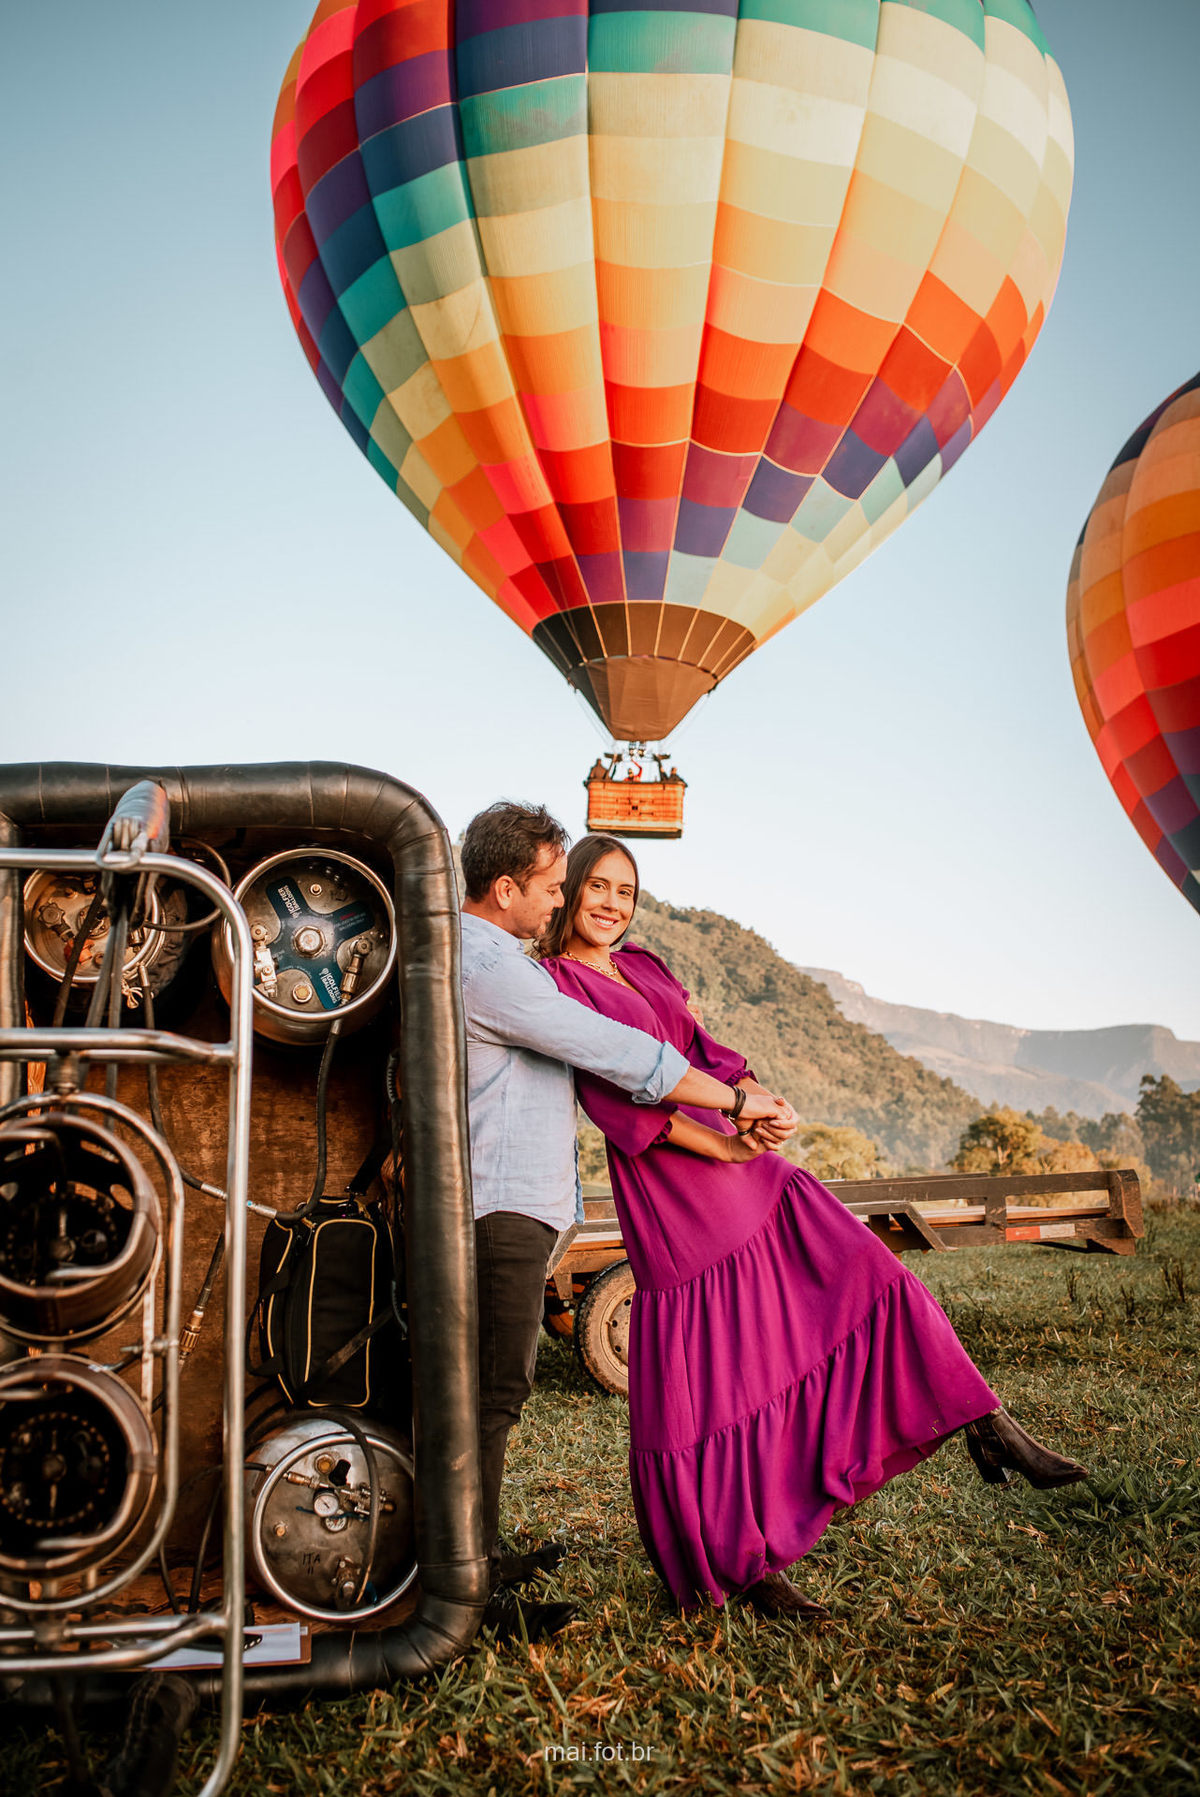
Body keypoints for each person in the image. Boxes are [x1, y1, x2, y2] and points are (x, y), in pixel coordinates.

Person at [539, 836, 1089, 1618]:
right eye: (597, 886)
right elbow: (620, 1101)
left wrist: (763, 1098)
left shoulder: (649, 966)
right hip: (680, 1190)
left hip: (750, 1168)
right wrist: (729, 1135)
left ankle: (985, 1418)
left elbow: (709, 1052)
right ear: (565, 893)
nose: (612, 904)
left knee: (875, 1277)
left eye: (626, 892)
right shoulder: (558, 985)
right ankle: (748, 1564)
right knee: (729, 1383)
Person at [458, 803, 795, 1638]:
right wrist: (734, 1103)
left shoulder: (498, 960)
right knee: (487, 1398)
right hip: (497, 1207)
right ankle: (469, 1599)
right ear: (506, 889)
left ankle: (479, 1555)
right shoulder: (494, 967)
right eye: (551, 887)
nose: (559, 901)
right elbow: (612, 1053)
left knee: (489, 1393)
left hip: (516, 1205)